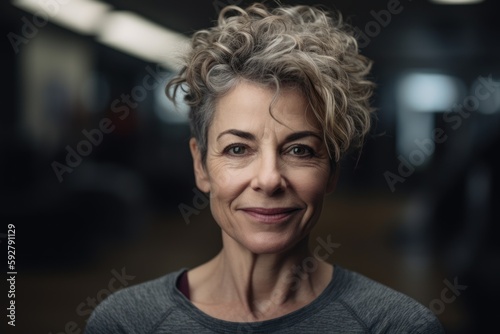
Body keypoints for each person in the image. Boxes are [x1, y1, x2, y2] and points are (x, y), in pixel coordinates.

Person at [85, 2, 444, 333]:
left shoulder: (396, 327)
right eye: (238, 148)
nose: (269, 179)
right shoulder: (127, 323)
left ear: (332, 170)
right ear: (201, 165)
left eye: (300, 150)